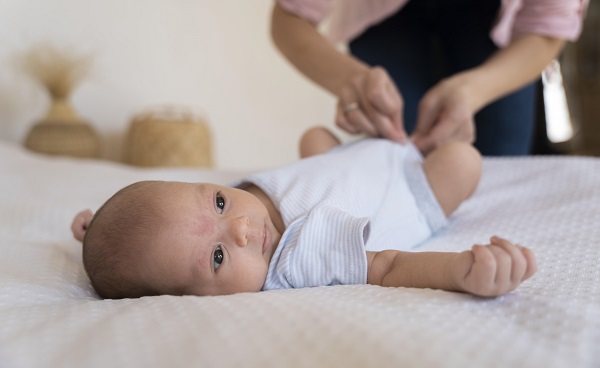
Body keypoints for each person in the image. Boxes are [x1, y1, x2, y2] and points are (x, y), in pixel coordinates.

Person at [71, 127, 536, 299]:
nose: (241, 229)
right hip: (406, 186)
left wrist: (102, 230)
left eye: (218, 202)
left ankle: (382, 140)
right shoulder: (296, 256)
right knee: (463, 159)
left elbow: (162, 230)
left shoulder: (233, 208)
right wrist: (458, 270)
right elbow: (387, 265)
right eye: (216, 258)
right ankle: (425, 151)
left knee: (314, 136)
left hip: (344, 158)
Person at [271, 0, 599, 156]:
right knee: (399, 150)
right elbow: (290, 17)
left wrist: (472, 90)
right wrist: (350, 80)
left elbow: (546, 27)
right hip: (384, 8)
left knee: (501, 153)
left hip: (491, 2)